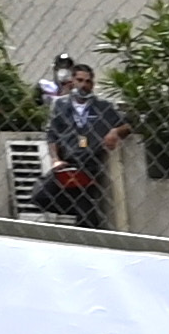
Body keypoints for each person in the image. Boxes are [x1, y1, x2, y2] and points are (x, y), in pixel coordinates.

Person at [36, 58, 132, 230]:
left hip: (89, 167)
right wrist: (56, 159)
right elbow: (52, 135)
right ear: (72, 81)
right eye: (80, 80)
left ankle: (86, 224)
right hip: (67, 165)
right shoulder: (60, 104)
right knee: (40, 196)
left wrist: (115, 132)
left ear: (92, 84)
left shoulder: (102, 107)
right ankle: (77, 214)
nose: (83, 85)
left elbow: (128, 126)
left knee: (87, 219)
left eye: (88, 81)